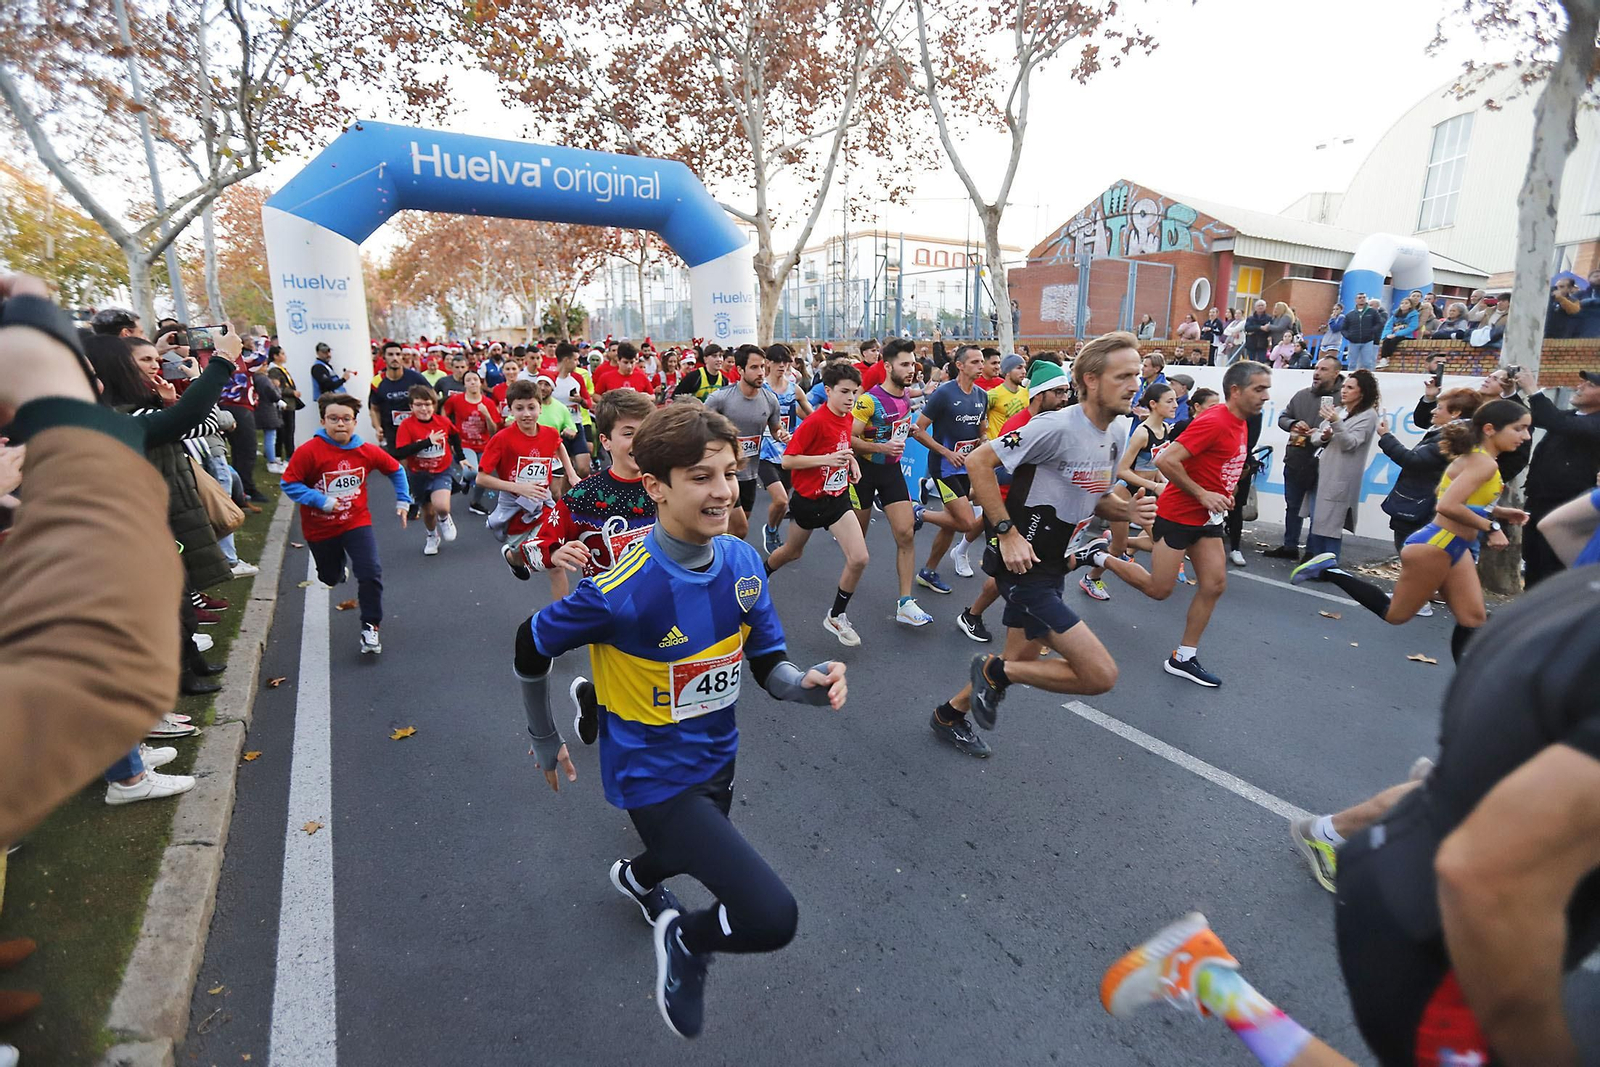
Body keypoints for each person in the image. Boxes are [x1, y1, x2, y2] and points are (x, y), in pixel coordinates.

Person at [1107, 561, 1600, 1067]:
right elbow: (1476, 879)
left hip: (1430, 853)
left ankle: (1215, 971)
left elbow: (1566, 524)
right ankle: (1213, 979)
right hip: (1435, 918)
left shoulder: (1580, 591)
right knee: (1399, 616)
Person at [512, 403, 848, 1039]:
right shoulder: (620, 588)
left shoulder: (745, 563)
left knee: (682, 849)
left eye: (728, 472)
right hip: (650, 773)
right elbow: (529, 647)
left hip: (718, 755)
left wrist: (806, 684)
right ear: (655, 486)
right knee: (770, 915)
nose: (722, 491)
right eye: (700, 476)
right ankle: (686, 940)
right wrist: (542, 735)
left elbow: (769, 665)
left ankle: (635, 879)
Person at [931, 332, 1156, 758]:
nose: (1135, 384)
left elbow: (1095, 494)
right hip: (1023, 567)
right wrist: (1006, 532)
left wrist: (1128, 512)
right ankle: (992, 672)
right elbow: (980, 461)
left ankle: (949, 715)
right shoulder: (1055, 426)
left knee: (1022, 658)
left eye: (1137, 375)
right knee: (1099, 674)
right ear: (1090, 380)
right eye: (1124, 375)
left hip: (1054, 566)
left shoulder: (1112, 435)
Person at [1294, 400, 1531, 663]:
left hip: (1454, 547)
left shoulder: (1481, 459)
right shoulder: (1483, 463)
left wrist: (1501, 513)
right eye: (1519, 429)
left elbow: (1466, 500)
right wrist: (1492, 527)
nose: (1526, 436)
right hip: (1436, 546)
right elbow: (1448, 505)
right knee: (1395, 614)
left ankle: (1467, 686)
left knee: (1473, 620)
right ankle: (1329, 569)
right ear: (1490, 429)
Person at [1093, 361, 1274, 688]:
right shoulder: (1216, 420)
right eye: (1259, 389)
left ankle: (1184, 657)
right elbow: (1165, 460)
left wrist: (1223, 494)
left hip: (1206, 519)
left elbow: (1219, 464)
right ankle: (1100, 556)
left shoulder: (1243, 422)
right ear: (1236, 390)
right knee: (1159, 590)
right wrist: (1203, 494)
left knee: (1215, 584)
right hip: (1178, 514)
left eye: (1267, 389)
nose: (1266, 395)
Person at [521, 390, 658, 664]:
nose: (641, 441)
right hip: (609, 615)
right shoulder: (583, 495)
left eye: (647, 431)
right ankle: (590, 701)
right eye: (629, 433)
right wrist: (554, 555)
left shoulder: (669, 485)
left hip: (664, 606)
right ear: (605, 441)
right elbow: (532, 549)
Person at [953, 360, 1076, 643]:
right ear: (1039, 394)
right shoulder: (1020, 425)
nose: (1063, 399)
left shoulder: (1054, 423)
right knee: (1017, 575)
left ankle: (977, 617)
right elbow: (995, 470)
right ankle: (1032, 631)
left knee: (1016, 572)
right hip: (1007, 511)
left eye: (1065, 392)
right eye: (1057, 393)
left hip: (1037, 511)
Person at [280, 394, 412, 655]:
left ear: (354, 422)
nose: (340, 424)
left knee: (370, 572)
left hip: (356, 522)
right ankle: (338, 571)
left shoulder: (365, 451)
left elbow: (395, 469)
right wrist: (321, 501)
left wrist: (404, 500)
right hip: (320, 528)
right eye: (333, 418)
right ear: (323, 420)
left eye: (346, 419)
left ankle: (370, 626)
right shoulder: (309, 451)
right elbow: (289, 483)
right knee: (328, 576)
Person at [763, 362, 867, 646]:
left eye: (855, 393)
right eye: (844, 392)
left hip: (837, 499)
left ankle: (836, 615)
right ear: (828, 390)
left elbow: (840, 449)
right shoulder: (815, 422)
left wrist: (851, 462)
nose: (850, 398)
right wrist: (826, 461)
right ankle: (761, 575)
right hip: (808, 501)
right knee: (792, 552)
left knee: (859, 558)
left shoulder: (846, 417)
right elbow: (788, 461)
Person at [1374, 388, 1484, 616]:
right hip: (1421, 499)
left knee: (1412, 548)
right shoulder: (1451, 432)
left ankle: (1418, 599)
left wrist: (1386, 437)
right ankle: (1420, 596)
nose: (1434, 411)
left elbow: (1413, 460)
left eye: (1440, 408)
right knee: (1415, 548)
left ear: (1455, 413)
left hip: (1422, 502)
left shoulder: (1454, 436)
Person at [847, 341, 933, 627]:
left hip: (891, 472)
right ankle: (840, 604)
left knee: (906, 533)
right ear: (887, 366)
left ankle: (906, 603)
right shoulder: (868, 400)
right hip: (864, 473)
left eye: (912, 364)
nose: (911, 370)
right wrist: (882, 447)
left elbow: (896, 427)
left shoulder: (906, 398)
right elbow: (850, 439)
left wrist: (907, 430)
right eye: (904, 365)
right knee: (857, 544)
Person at [1078, 382, 1176, 602]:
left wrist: (1162, 481)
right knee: (1156, 543)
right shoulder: (1142, 433)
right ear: (1153, 404)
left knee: (1156, 542)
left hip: (1146, 495)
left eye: (1175, 401)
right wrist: (1154, 486)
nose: (1175, 405)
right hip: (1126, 497)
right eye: (1169, 401)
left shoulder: (1166, 430)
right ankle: (1091, 574)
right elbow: (1122, 470)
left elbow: (1153, 464)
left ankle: (1107, 549)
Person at [477, 380, 577, 588]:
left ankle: (565, 618)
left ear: (540, 408)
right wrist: (519, 488)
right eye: (519, 408)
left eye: (531, 407)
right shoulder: (502, 439)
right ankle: (513, 557)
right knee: (521, 553)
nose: (526, 414)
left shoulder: (549, 433)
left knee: (556, 564)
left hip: (543, 504)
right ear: (510, 409)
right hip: (516, 508)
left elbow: (559, 447)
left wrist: (571, 474)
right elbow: (482, 478)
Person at [912, 345, 989, 593]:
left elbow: (982, 429)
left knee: (950, 523)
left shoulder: (981, 395)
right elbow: (918, 430)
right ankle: (919, 513)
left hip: (966, 467)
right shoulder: (944, 394)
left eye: (982, 362)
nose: (981, 366)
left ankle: (928, 571)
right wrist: (946, 452)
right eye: (975, 362)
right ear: (961, 365)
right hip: (945, 467)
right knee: (966, 522)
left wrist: (984, 442)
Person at [1516, 366, 1600, 587]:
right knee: (1533, 565)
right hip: (1537, 503)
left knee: (1552, 572)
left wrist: (1533, 390)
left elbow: (1554, 421)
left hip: (1568, 508)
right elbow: (1536, 417)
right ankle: (1530, 617)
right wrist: (1511, 393)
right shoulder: (1571, 416)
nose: (1579, 386)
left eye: (1590, 384)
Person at [1294, 369, 1380, 563]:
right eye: (1344, 387)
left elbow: (1350, 443)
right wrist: (1323, 435)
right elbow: (1317, 436)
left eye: (1350, 388)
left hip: (1340, 476)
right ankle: (1315, 563)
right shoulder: (1341, 410)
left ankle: (1328, 566)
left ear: (1362, 392)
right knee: (1318, 520)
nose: (1344, 391)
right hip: (1321, 473)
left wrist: (1336, 423)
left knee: (1331, 524)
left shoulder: (1368, 416)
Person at [704, 345, 786, 541]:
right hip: (724, 474)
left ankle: (715, 556)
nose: (761, 373)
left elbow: (776, 429)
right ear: (740, 370)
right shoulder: (720, 398)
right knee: (740, 528)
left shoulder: (770, 400)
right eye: (754, 367)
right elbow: (700, 429)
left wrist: (782, 434)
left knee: (736, 530)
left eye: (762, 367)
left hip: (750, 473)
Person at [1264, 357, 1342, 560]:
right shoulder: (1302, 395)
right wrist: (1293, 423)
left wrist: (1324, 433)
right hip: (1296, 459)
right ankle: (1290, 546)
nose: (1317, 373)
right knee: (1293, 505)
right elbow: (1283, 417)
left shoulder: (1344, 399)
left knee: (1318, 510)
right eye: (1316, 368)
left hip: (1324, 462)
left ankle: (1311, 551)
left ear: (1335, 373)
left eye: (1324, 369)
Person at [392, 385, 464, 557]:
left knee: (441, 506)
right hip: (419, 474)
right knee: (429, 512)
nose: (423, 409)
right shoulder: (406, 426)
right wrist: (427, 442)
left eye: (427, 404)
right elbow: (400, 452)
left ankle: (445, 518)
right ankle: (432, 536)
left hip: (441, 470)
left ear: (434, 405)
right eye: (418, 405)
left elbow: (454, 435)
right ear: (411, 407)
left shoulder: (443, 422)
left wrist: (460, 456)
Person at [757, 344, 811, 554]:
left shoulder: (793, 389)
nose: (782, 366)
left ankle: (772, 529)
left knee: (784, 501)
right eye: (778, 361)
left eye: (786, 362)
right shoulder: (760, 389)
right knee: (780, 500)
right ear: (767, 363)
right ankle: (770, 530)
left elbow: (812, 415)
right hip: (764, 452)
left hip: (789, 452)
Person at [442, 369, 501, 515]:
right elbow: (444, 412)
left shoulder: (488, 403)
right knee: (472, 472)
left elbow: (493, 431)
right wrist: (448, 433)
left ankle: (475, 503)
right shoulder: (456, 400)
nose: (472, 382)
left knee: (483, 476)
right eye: (468, 380)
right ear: (464, 384)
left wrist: (486, 414)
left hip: (484, 445)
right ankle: (467, 478)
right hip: (465, 444)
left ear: (480, 382)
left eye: (475, 379)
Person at [367, 352, 431, 450]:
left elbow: (433, 398)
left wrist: (429, 420)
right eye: (390, 354)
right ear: (384, 359)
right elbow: (374, 408)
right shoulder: (377, 381)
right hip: (391, 430)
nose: (395, 358)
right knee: (397, 461)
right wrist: (377, 427)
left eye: (398, 354)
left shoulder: (415, 377)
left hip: (416, 428)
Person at [551, 343, 595, 479]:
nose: (577, 363)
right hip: (557, 429)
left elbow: (589, 403)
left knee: (583, 469)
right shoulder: (550, 378)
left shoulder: (577, 378)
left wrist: (580, 400)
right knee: (564, 471)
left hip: (576, 426)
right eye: (575, 360)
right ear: (566, 360)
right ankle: (565, 497)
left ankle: (574, 495)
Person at [985, 353, 1029, 440]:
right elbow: (979, 419)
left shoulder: (1027, 393)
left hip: (1020, 444)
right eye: (1019, 368)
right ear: (1008, 372)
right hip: (998, 446)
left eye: (1024, 367)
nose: (1024, 371)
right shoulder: (993, 395)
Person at [1341, 292, 1384, 372]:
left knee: (1367, 363)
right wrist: (1349, 336)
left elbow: (1379, 323)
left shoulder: (1372, 312)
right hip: (1353, 342)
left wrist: (1371, 331)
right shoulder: (1350, 314)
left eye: (1364, 297)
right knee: (1352, 363)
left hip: (1367, 341)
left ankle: (1369, 379)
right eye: (1360, 298)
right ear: (1356, 300)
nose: (1362, 299)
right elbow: (1343, 328)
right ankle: (1350, 379)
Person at [1242, 299, 1272, 365]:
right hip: (1251, 342)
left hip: (1262, 343)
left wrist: (1255, 329)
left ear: (1265, 307)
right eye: (1258, 305)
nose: (1260, 307)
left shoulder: (1269, 318)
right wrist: (1260, 327)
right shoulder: (1250, 318)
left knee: (1261, 361)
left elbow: (1269, 329)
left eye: (1262, 305)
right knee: (1251, 362)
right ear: (1255, 307)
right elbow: (1247, 328)